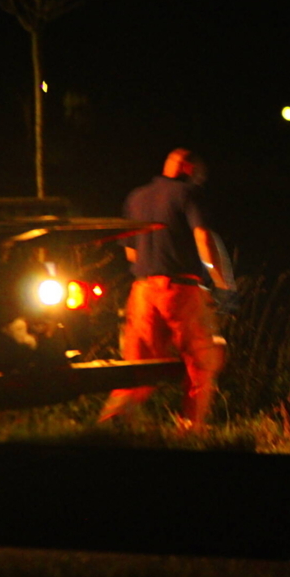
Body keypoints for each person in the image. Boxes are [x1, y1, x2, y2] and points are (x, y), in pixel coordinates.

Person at [98, 148, 233, 431]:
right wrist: (220, 281)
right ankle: (191, 428)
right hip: (179, 290)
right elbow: (203, 237)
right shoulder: (188, 194)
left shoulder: (136, 197)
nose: (200, 181)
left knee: (138, 367)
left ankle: (111, 424)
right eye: (199, 175)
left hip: (142, 291)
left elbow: (131, 254)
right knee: (201, 362)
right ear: (187, 168)